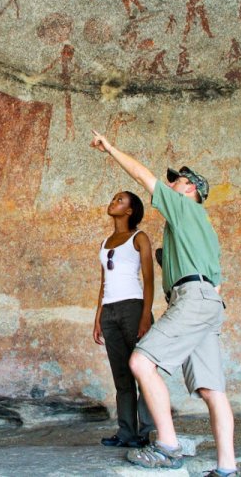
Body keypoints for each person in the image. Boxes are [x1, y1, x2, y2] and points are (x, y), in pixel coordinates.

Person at [90, 130, 237, 477]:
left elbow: (143, 176)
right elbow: (215, 283)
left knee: (140, 363)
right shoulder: (194, 229)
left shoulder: (186, 209)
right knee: (212, 390)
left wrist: (110, 148)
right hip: (206, 302)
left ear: (192, 191)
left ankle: (168, 447)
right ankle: (227, 468)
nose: (171, 185)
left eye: (178, 181)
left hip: (191, 300)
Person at [93, 191, 155, 448]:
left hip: (133, 308)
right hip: (110, 311)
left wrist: (145, 317)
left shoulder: (139, 238)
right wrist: (97, 318)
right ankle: (126, 432)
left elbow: (150, 280)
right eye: (114, 198)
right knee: (122, 378)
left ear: (130, 211)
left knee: (144, 374)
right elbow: (103, 282)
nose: (113, 202)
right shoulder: (105, 241)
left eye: (120, 200)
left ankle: (148, 431)